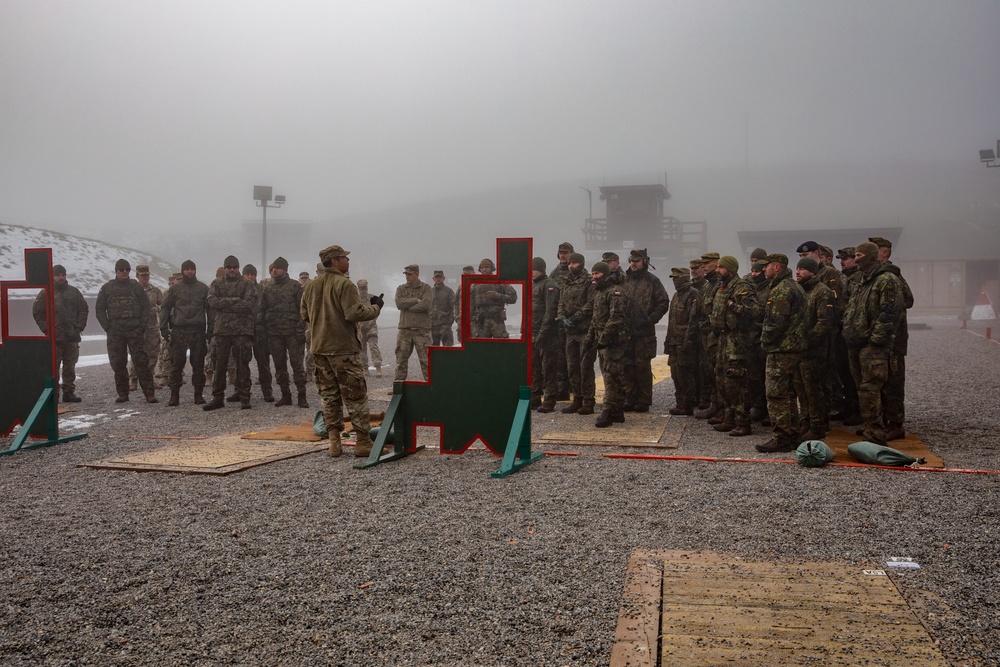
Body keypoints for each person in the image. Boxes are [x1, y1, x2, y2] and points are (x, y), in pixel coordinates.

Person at [300, 244, 383, 457]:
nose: (348, 261)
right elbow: (353, 313)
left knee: (329, 396)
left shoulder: (311, 286)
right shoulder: (345, 285)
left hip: (320, 350)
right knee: (355, 396)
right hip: (343, 350)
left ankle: (334, 443)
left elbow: (304, 314)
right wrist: (376, 308)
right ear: (335, 261)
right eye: (344, 258)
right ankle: (363, 442)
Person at [841, 242, 904, 446]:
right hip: (856, 344)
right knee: (863, 389)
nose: (855, 258)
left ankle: (876, 434)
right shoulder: (862, 280)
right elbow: (852, 309)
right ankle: (872, 426)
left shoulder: (886, 279)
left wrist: (875, 341)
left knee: (871, 388)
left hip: (872, 347)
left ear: (869, 256)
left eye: (858, 254)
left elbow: (889, 313)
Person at [756, 253, 807, 453]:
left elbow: (776, 322)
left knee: (776, 394)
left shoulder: (782, 290)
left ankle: (782, 437)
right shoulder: (795, 286)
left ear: (776, 267)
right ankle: (793, 433)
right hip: (793, 348)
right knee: (788, 394)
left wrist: (765, 342)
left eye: (767, 266)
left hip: (781, 349)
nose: (763, 270)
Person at [708, 256, 759, 436]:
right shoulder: (721, 287)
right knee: (722, 381)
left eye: (721, 267)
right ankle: (729, 418)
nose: (717, 270)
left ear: (730, 269)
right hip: (722, 338)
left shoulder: (741, 287)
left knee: (736, 382)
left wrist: (733, 306)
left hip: (736, 340)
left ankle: (742, 422)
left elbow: (753, 311)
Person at [95, 259, 158, 403]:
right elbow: (99, 309)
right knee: (118, 364)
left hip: (135, 331)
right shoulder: (107, 288)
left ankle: (149, 394)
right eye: (121, 269)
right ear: (116, 271)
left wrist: (141, 327)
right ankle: (123, 394)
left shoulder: (136, 287)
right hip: (116, 332)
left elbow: (145, 308)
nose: (124, 272)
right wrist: (108, 328)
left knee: (142, 363)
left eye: (127, 269)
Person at [869, 236, 912, 441]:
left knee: (893, 382)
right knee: (881, 382)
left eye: (874, 250)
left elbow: (909, 300)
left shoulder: (892, 276)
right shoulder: (877, 275)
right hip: (883, 339)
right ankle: (885, 421)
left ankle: (896, 424)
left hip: (893, 340)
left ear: (884, 253)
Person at [202, 255, 256, 411]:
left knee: (243, 364)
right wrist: (236, 300)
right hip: (222, 331)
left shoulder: (247, 284)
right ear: (225, 268)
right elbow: (212, 302)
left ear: (238, 268)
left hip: (242, 330)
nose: (232, 270)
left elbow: (249, 304)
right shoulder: (217, 283)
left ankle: (244, 397)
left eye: (235, 267)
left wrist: (225, 303)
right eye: (229, 267)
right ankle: (217, 398)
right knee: (219, 365)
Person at [620, 248, 670, 413]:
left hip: (644, 333)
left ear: (644, 262)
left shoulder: (652, 281)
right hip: (626, 332)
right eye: (631, 261)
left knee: (642, 367)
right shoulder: (623, 280)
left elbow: (663, 302)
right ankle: (630, 397)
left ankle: (644, 400)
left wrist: (650, 319)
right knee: (627, 366)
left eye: (636, 261)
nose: (633, 264)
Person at [32, 264, 88, 403]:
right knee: (53, 367)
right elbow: (38, 313)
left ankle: (69, 392)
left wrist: (79, 327)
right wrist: (46, 329)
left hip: (71, 336)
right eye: (58, 275)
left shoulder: (74, 292)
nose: (61, 277)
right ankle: (53, 394)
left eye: (63, 275)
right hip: (54, 338)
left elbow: (83, 310)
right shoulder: (45, 293)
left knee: (70, 366)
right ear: (52, 276)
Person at [793, 257, 835, 440]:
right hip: (799, 350)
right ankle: (806, 422)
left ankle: (817, 426)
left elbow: (824, 322)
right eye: (797, 268)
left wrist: (808, 340)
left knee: (814, 390)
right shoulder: (800, 291)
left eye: (802, 269)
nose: (798, 272)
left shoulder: (822, 292)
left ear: (812, 271)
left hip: (814, 350)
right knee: (801, 389)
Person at [259, 256, 308, 408]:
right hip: (274, 333)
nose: (274, 270)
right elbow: (262, 308)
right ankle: (285, 395)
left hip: (292, 333)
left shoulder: (294, 286)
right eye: (273, 268)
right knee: (280, 365)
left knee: (297, 365)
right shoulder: (268, 288)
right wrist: (261, 327)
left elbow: (303, 310)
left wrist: (300, 330)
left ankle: (302, 395)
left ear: (285, 270)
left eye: (278, 268)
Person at [159, 259, 210, 406]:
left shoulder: (202, 288)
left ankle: (198, 395)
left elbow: (210, 310)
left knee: (198, 364)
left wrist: (210, 329)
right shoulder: (175, 289)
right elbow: (165, 308)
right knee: (177, 364)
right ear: (183, 271)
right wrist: (163, 328)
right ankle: (174, 395)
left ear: (195, 270)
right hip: (179, 330)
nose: (189, 272)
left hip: (198, 330)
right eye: (187, 269)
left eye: (192, 269)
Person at [587, 261, 629, 428]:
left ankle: (608, 410)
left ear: (605, 274)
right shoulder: (599, 293)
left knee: (611, 376)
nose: (594, 277)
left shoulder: (615, 292)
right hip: (603, 341)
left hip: (613, 342)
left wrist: (603, 338)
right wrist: (590, 337)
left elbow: (616, 317)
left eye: (597, 274)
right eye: (593, 274)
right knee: (610, 374)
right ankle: (617, 411)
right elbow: (595, 318)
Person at [556, 252, 596, 415]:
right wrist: (562, 316)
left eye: (574, 263)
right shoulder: (566, 281)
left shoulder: (589, 281)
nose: (571, 266)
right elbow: (561, 302)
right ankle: (577, 399)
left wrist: (574, 317)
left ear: (581, 264)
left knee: (585, 367)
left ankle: (588, 401)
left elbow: (591, 303)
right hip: (570, 332)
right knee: (572, 367)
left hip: (584, 331)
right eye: (570, 263)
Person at [663, 266, 702, 416]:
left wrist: (688, 343)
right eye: (673, 278)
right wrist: (667, 342)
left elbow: (693, 322)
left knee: (685, 374)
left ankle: (688, 404)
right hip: (674, 343)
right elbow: (672, 321)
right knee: (675, 374)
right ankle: (680, 403)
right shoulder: (676, 296)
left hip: (684, 344)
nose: (675, 281)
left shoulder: (693, 295)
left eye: (677, 278)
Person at [240, 264, 274, 402]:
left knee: (263, 362)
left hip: (260, 331)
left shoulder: (263, 291)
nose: (250, 277)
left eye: (252, 274)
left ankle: (267, 391)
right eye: (247, 274)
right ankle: (240, 391)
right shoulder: (239, 290)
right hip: (244, 330)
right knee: (241, 362)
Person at [694, 252, 722, 419]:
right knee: (708, 371)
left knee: (718, 371)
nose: (703, 266)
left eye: (707, 263)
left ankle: (722, 408)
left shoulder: (720, 283)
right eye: (702, 263)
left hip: (715, 334)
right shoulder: (707, 284)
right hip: (705, 334)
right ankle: (715, 405)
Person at [530, 257, 560, 412]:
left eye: (533, 269)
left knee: (548, 368)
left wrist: (543, 332)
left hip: (547, 334)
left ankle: (549, 401)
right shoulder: (533, 285)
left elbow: (550, 311)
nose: (531, 272)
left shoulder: (550, 285)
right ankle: (534, 398)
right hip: (533, 333)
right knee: (533, 368)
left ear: (541, 269)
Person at [128, 264, 163, 391]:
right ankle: (134, 380)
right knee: (137, 354)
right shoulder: (132, 290)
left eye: (147, 275)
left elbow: (163, 304)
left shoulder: (155, 290)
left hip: (152, 327)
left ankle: (149, 379)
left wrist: (157, 309)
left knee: (153, 354)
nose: (145, 277)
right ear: (137, 276)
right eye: (142, 275)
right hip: (137, 328)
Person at [394, 264, 431, 383]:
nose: (407, 277)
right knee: (401, 360)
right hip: (405, 330)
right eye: (406, 274)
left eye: (410, 274)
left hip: (421, 331)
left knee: (426, 360)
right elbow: (399, 304)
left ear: (416, 274)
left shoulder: (426, 288)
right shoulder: (401, 288)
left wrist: (408, 307)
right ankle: (398, 386)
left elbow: (426, 305)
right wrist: (415, 300)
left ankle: (431, 383)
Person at [549, 242, 575, 400]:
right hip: (558, 322)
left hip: (573, 321)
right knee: (559, 357)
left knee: (573, 357)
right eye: (561, 253)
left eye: (566, 253)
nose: (563, 255)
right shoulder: (554, 273)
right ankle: (562, 389)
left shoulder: (576, 271)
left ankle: (575, 388)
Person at [470, 258, 517, 338]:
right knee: (480, 347)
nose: (484, 269)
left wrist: (498, 296)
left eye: (487, 267)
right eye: (482, 267)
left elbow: (513, 298)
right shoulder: (474, 285)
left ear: (492, 268)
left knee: (500, 347)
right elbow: (470, 304)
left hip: (497, 321)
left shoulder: (501, 282)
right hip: (481, 322)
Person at [356, 279, 383, 376]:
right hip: (360, 327)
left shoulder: (372, 298)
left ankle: (378, 367)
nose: (363, 290)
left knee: (373, 346)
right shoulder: (355, 299)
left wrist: (371, 322)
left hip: (371, 326)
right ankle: (365, 368)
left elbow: (376, 311)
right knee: (362, 349)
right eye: (361, 288)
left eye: (364, 288)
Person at [429, 270, 456, 347]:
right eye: (436, 277)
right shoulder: (430, 291)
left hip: (445, 325)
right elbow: (426, 307)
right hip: (432, 325)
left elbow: (453, 306)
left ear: (444, 278)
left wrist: (450, 321)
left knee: (448, 350)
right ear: (433, 279)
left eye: (440, 277)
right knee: (433, 350)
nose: (438, 279)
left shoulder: (449, 291)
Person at [454, 265, 475, 344]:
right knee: (462, 340)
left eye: (469, 274)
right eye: (465, 274)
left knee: (475, 339)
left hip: (475, 318)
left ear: (474, 274)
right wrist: (456, 315)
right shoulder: (460, 287)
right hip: (462, 318)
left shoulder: (478, 285)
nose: (467, 276)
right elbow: (455, 302)